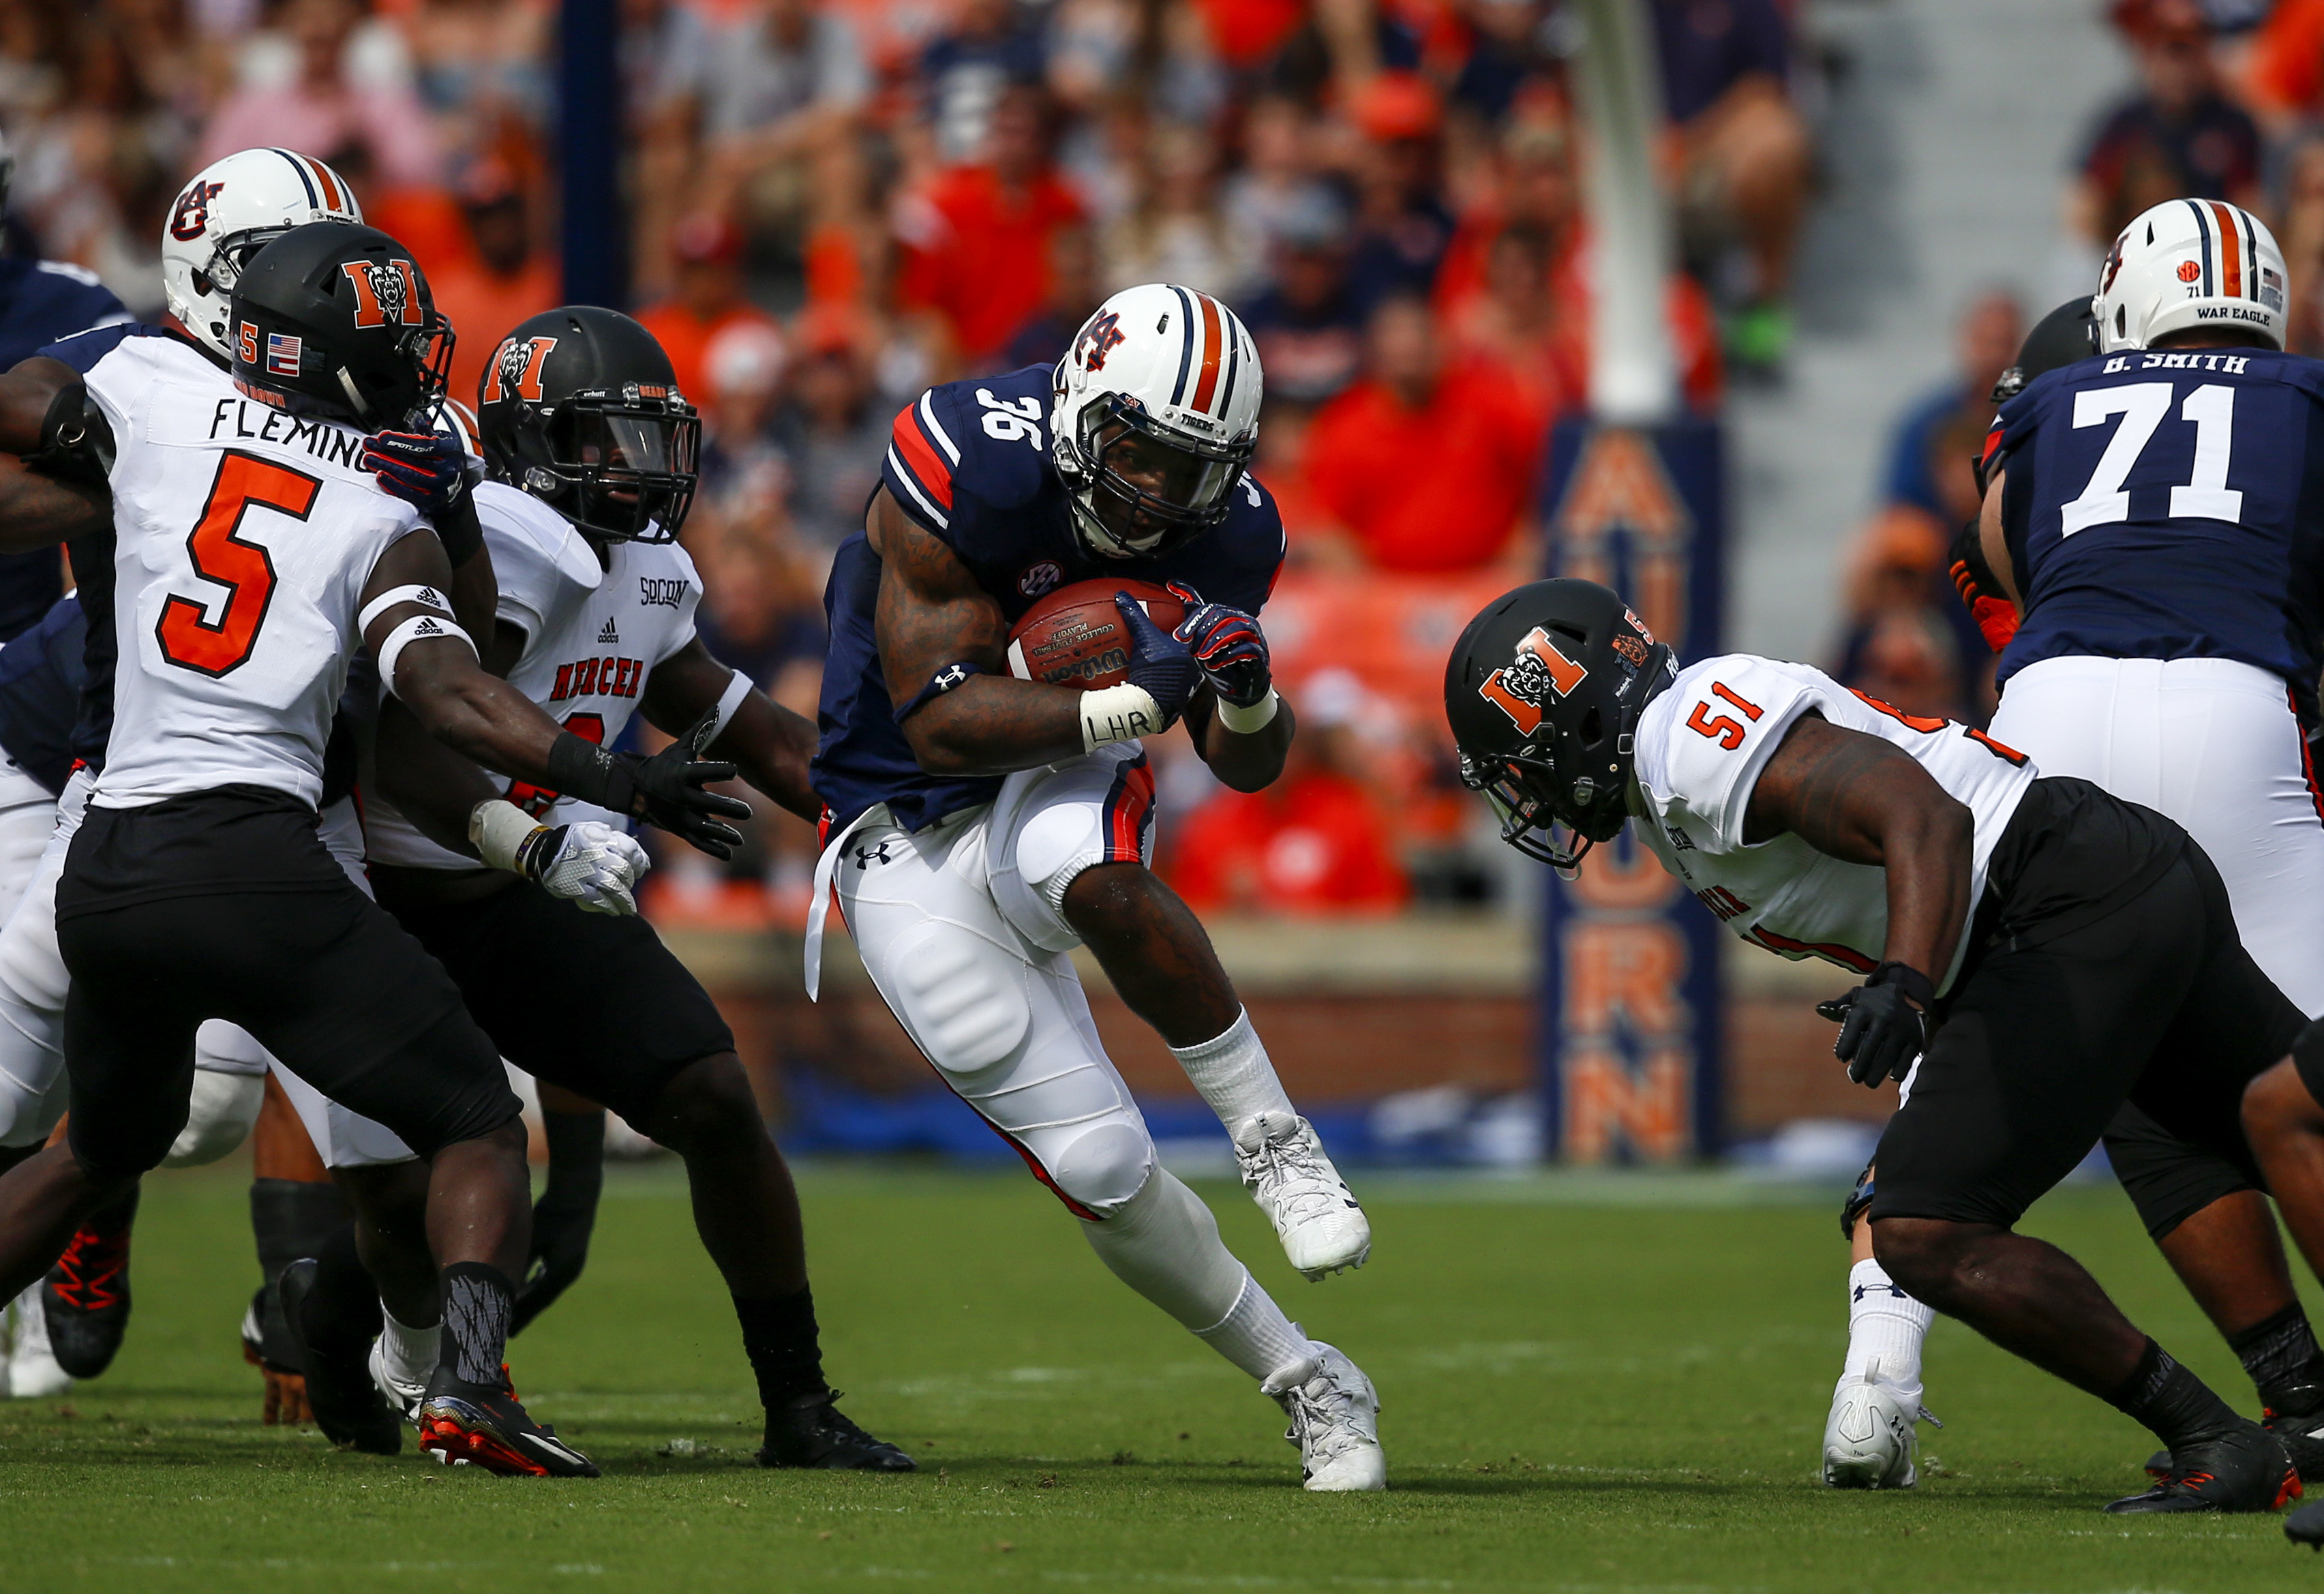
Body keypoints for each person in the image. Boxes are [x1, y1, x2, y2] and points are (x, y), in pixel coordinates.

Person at [0, 217, 744, 1476]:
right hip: (259, 852)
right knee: (471, 1117)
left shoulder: (153, 405)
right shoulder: (374, 507)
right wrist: (614, 775)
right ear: (355, 360)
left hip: (109, 859)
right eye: (402, 345)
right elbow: (453, 695)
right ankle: (467, 1385)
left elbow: (37, 406)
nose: (421, 363)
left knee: (93, 1150)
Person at [1443, 575, 2324, 1514]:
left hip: (2057, 901)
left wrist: (1903, 984)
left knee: (1922, 1229)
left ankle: (2212, 1438)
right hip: (2095, 881)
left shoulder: (1686, 739)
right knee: (2254, 1119)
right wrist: (1924, 1008)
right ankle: (2305, 1411)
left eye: (1524, 762)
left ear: (1578, 721)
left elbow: (1924, 817)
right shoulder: (1673, 772)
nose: (1528, 796)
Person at [288, 305, 911, 1473]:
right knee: (424, 1195)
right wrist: (553, 824)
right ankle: (335, 1301)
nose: (637, 471)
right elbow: (408, 747)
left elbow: (728, 714)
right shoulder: (505, 542)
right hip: (395, 893)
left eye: (650, 442)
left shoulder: (651, 564)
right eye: (603, 443)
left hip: (525, 895)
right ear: (527, 444)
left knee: (714, 1097)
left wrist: (881, 807)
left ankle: (799, 1402)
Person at [811, 282, 1385, 1490]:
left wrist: (1242, 691)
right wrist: (1133, 699)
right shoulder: (963, 455)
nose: (1157, 497)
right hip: (895, 816)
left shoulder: (1231, 531)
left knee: (1085, 867)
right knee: (1099, 1172)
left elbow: (1248, 767)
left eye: (1191, 471)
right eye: (1137, 455)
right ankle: (1311, 1377)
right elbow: (936, 723)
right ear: (1080, 408)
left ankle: (1275, 1143)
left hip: (1054, 773)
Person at [1917, 202, 2324, 1494]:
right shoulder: (2305, 399)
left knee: (2147, 1089)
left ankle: (2299, 1405)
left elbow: (1992, 561)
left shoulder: (2052, 405)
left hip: (2054, 728)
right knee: (2300, 1088)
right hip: (2228, 711)